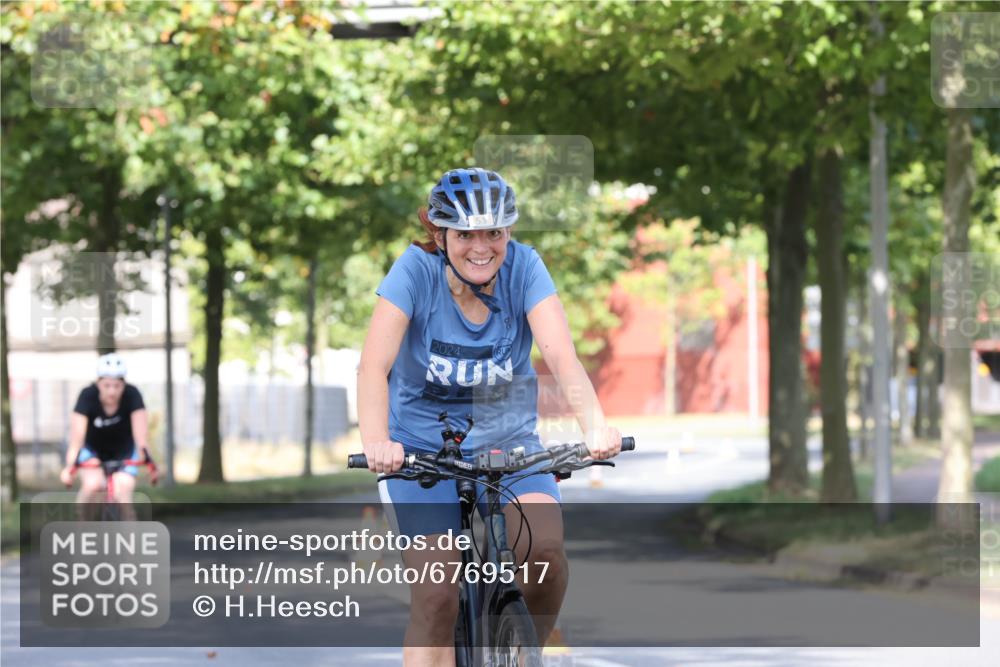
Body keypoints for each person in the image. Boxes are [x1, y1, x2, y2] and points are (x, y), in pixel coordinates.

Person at [357, 168, 622, 665]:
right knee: (437, 597)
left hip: (509, 440)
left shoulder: (525, 268)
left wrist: (595, 428)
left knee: (544, 555)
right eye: (465, 234)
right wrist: (377, 441)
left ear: (508, 234)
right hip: (419, 449)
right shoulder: (414, 272)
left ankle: (523, 654)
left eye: (494, 233)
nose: (482, 247)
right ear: (441, 235)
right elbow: (374, 366)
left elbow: (562, 356)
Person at [60, 353, 153, 517]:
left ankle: (130, 538)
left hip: (124, 452)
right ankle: (81, 530)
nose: (112, 391)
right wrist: (69, 468)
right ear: (98, 383)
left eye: (117, 386)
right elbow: (77, 439)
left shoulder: (133, 395)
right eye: (107, 385)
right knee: (93, 485)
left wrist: (150, 463)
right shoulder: (87, 396)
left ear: (124, 385)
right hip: (92, 451)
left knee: (122, 491)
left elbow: (141, 438)